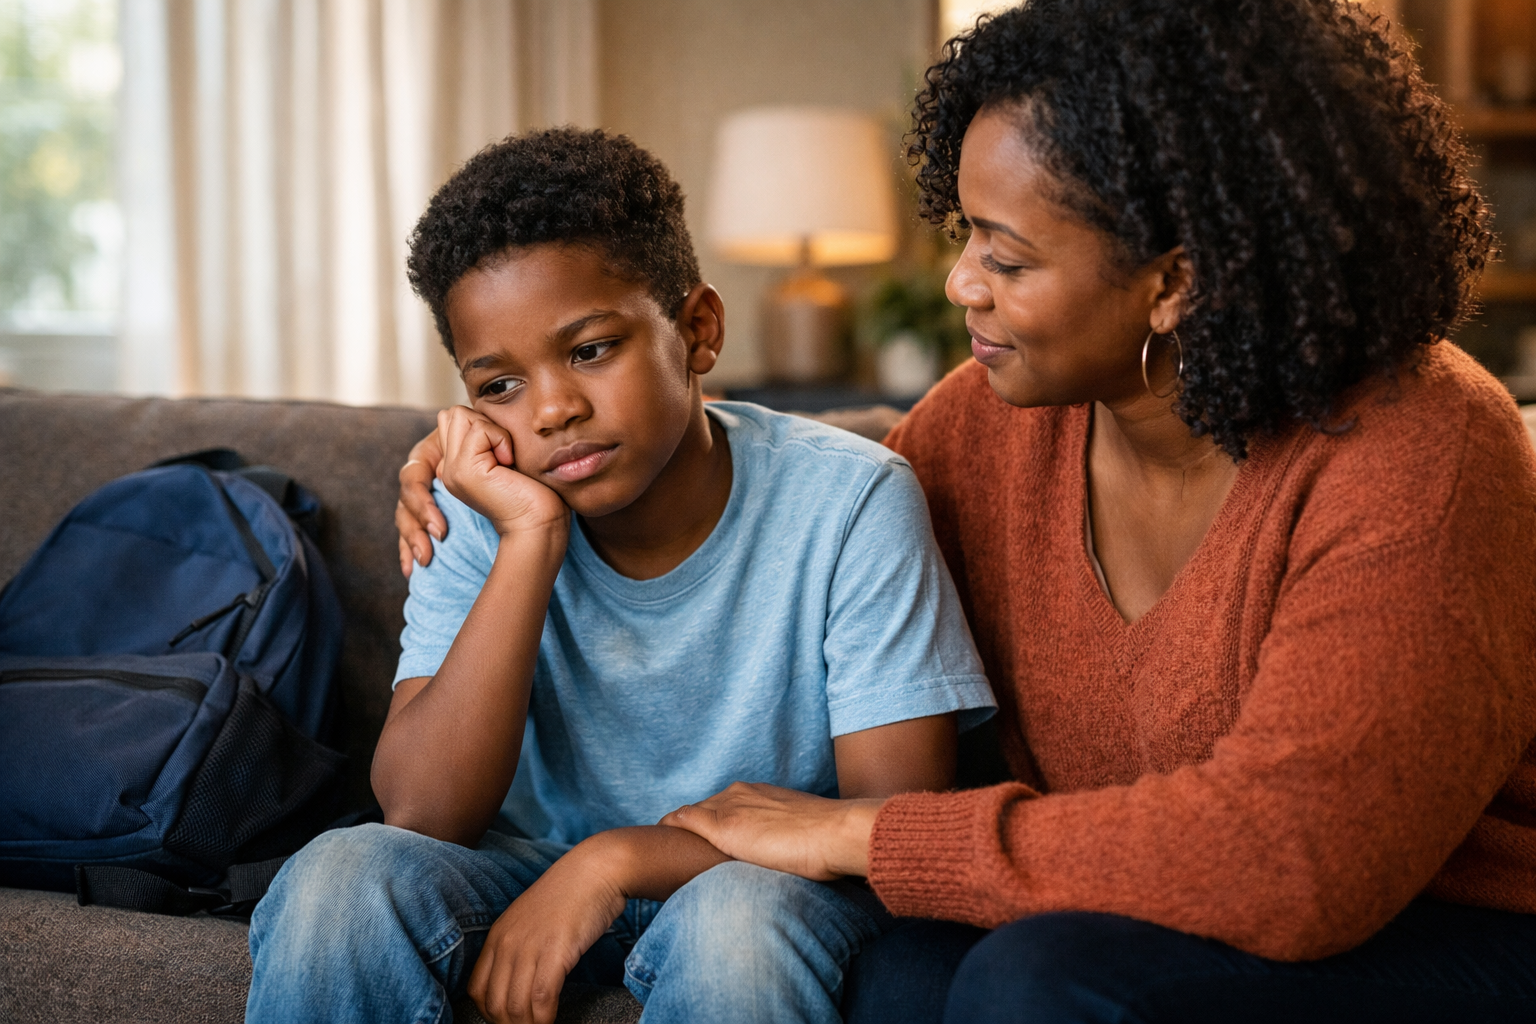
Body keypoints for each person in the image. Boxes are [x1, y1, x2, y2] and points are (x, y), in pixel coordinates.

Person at [393, 1, 1536, 1021]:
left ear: (1177, 280)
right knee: (892, 973)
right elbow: (774, 498)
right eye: (965, 235)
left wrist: (854, 831)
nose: (960, 283)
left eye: (1009, 255)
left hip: (1441, 931)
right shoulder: (980, 432)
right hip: (1124, 910)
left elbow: (1299, 858)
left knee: (1037, 980)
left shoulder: (1422, 447)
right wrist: (488, 464)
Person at [247, 128, 995, 1024]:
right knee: (341, 875)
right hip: (522, 865)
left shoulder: (851, 501)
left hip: (765, 882)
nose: (554, 408)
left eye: (591, 349)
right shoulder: (480, 505)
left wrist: (611, 863)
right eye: (499, 386)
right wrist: (528, 540)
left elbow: (894, 821)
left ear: (698, 329)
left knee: (737, 927)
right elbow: (420, 811)